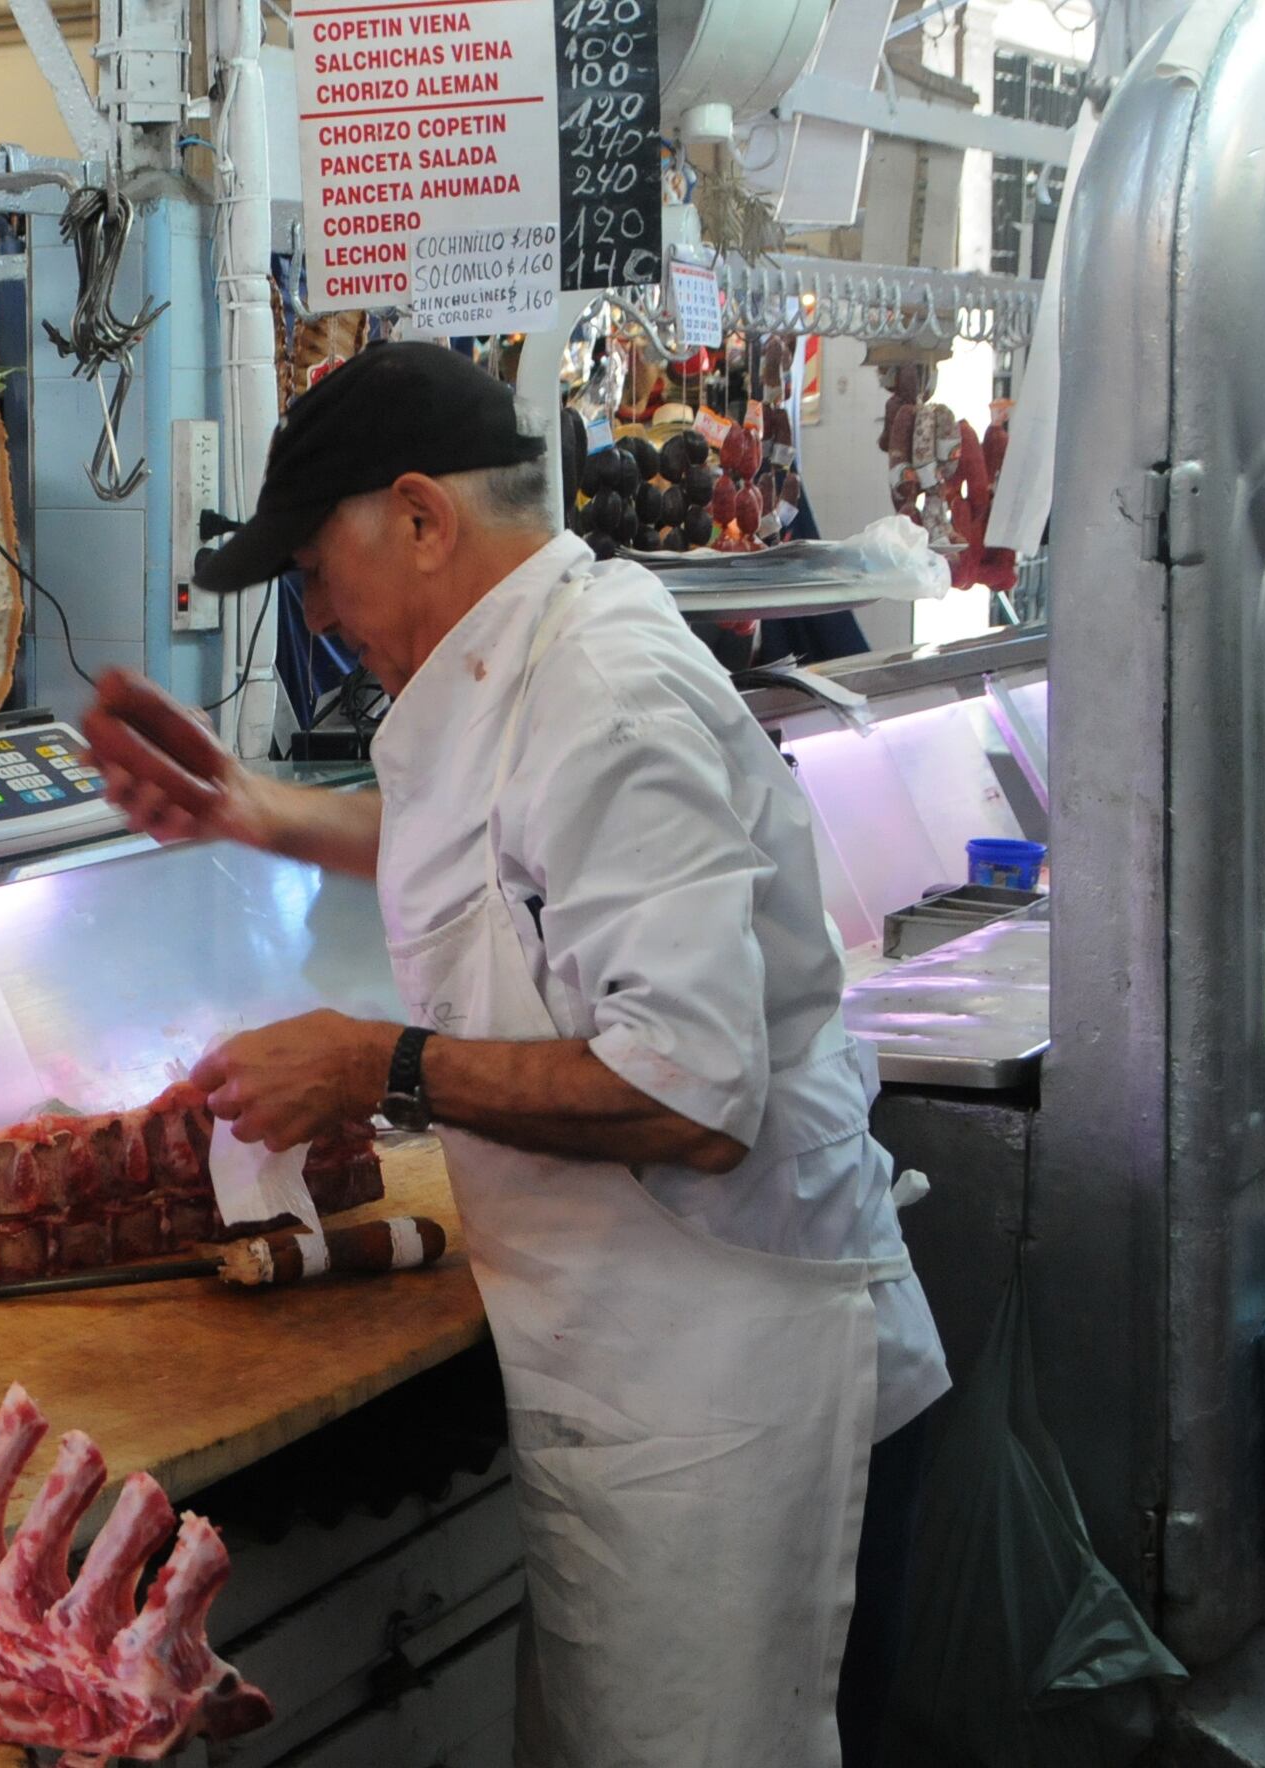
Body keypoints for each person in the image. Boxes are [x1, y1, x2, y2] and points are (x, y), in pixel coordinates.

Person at [83, 344, 948, 1767]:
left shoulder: (603, 692)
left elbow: (693, 1092)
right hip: (645, 1369)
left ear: (421, 518)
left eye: (314, 568)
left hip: (737, 1383)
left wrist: (375, 1067)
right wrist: (261, 811)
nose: (314, 611)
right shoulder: (532, 661)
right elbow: (511, 861)